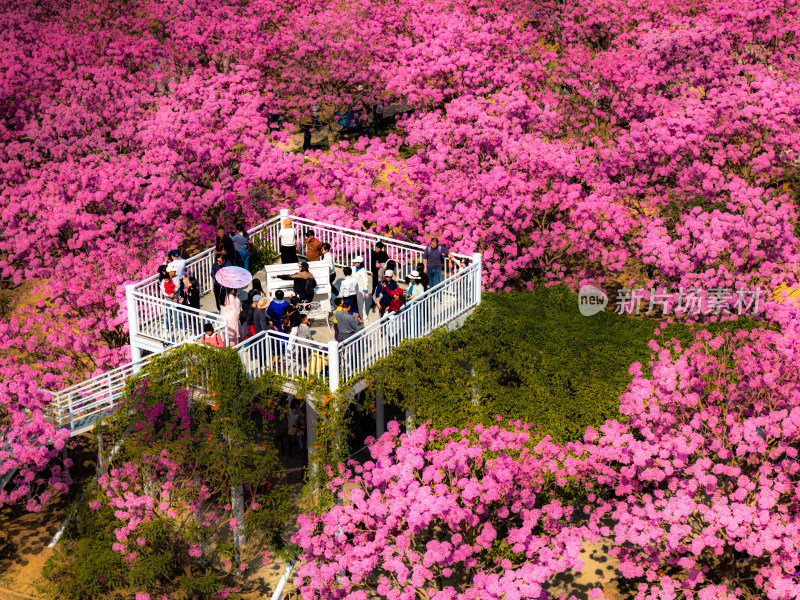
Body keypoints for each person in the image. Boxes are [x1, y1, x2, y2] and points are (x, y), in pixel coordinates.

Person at [159, 264, 177, 335]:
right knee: (168, 314)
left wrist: (174, 292)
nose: (175, 272)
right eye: (173, 271)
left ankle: (177, 327)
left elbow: (176, 286)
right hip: (168, 299)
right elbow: (163, 290)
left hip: (174, 297)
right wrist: (169, 295)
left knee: (176, 313)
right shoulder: (164, 281)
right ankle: (167, 328)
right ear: (170, 272)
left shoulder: (174, 279)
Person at [353, 256, 370, 322]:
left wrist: (366, 291)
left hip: (360, 290)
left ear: (359, 263)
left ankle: (364, 318)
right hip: (354, 288)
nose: (355, 263)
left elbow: (365, 281)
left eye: (356, 262)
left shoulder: (362, 271)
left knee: (361, 305)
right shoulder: (354, 268)